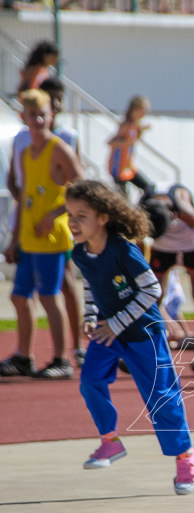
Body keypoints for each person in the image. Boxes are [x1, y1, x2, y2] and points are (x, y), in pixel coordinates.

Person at [66, 179, 194, 495]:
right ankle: (110, 442)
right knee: (90, 381)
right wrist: (90, 315)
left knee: (162, 398)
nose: (73, 222)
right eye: (70, 215)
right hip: (108, 330)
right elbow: (91, 285)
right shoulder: (81, 253)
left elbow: (152, 289)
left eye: (81, 215)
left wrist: (117, 321)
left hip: (142, 333)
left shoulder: (124, 250)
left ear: (103, 217)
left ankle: (185, 459)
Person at [0, 89, 83, 380]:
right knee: (19, 296)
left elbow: (81, 189)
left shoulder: (59, 149)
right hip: (28, 237)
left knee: (49, 295)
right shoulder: (24, 152)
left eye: (42, 115)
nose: (37, 120)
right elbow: (23, 198)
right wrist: (13, 240)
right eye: (31, 115)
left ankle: (62, 358)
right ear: (23, 117)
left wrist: (54, 214)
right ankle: (24, 356)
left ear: (51, 115)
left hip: (52, 238)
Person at [140, 183, 194, 376]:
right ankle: (149, 350)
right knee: (153, 296)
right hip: (163, 246)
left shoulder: (182, 207)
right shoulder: (142, 206)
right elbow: (139, 240)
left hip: (192, 242)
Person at [107, 95, 154, 196]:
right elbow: (110, 142)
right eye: (142, 110)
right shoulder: (126, 125)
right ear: (134, 110)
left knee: (149, 188)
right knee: (123, 197)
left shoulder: (135, 125)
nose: (143, 114)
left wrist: (142, 129)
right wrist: (125, 143)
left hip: (129, 166)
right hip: (118, 167)